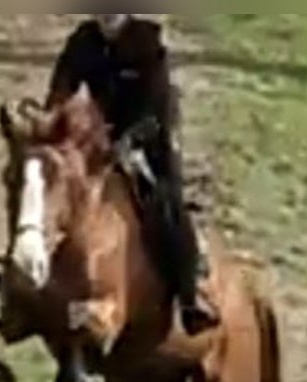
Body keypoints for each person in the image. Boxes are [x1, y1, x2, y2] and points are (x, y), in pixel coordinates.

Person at [44, 13, 220, 336]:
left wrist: (128, 143)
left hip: (150, 140)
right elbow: (61, 88)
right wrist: (50, 121)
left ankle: (190, 293)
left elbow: (157, 108)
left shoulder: (147, 42)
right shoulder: (83, 41)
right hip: (99, 140)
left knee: (164, 201)